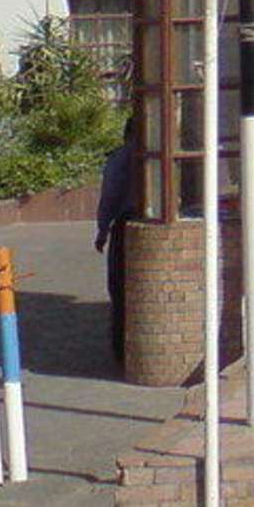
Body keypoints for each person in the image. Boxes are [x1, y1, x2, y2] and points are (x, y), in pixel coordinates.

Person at [95, 115, 140, 363]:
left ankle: (120, 345)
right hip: (145, 217)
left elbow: (109, 196)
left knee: (119, 286)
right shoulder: (142, 154)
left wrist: (102, 230)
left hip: (124, 224)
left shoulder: (120, 157)